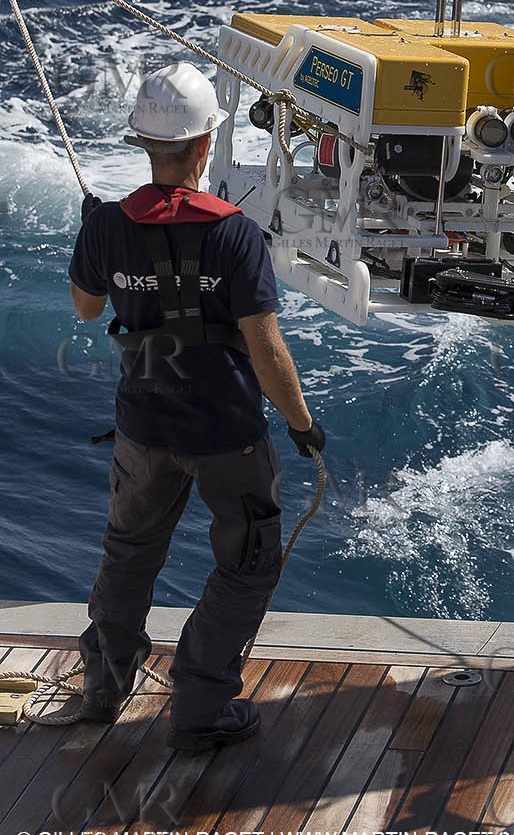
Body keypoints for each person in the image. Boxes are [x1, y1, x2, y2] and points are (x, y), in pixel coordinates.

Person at [68, 62, 326, 752]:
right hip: (225, 432)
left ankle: (103, 688)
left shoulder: (107, 226)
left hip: (142, 425)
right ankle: (200, 706)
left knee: (129, 554)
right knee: (248, 564)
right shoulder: (236, 232)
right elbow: (266, 350)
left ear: (144, 144)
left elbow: (87, 308)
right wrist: (302, 425)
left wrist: (93, 239)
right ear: (206, 143)